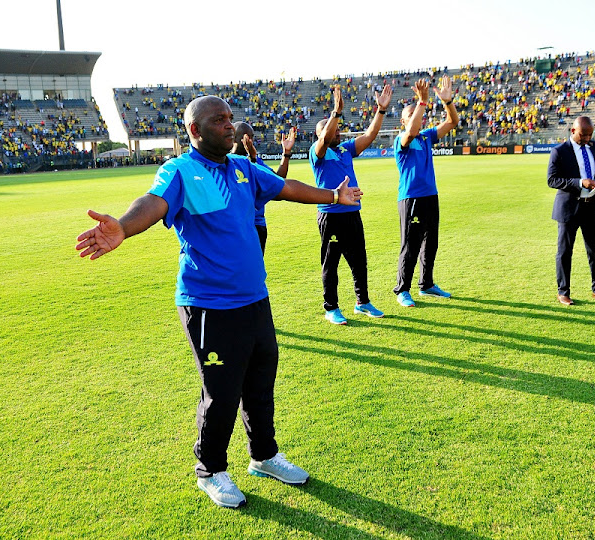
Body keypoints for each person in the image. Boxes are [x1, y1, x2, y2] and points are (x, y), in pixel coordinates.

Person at [75, 96, 362, 509]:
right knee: (222, 392)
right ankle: (210, 470)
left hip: (254, 299)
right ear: (194, 130)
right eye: (218, 120)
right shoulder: (180, 171)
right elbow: (152, 204)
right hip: (208, 305)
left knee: (261, 381)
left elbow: (286, 188)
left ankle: (264, 456)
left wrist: (333, 196)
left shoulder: (244, 168)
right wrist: (121, 226)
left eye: (230, 118)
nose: (230, 126)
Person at [310, 83, 392, 325]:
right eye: (333, 130)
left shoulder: (345, 150)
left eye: (337, 129)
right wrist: (335, 112)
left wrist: (381, 111)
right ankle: (331, 307)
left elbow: (369, 136)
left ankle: (362, 302)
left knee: (359, 260)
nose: (338, 133)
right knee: (331, 264)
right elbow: (325, 137)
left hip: (352, 213)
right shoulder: (318, 153)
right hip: (331, 215)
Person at [392, 76, 459, 308]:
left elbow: (452, 122)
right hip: (411, 198)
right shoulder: (403, 139)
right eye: (409, 116)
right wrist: (421, 103)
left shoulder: (427, 136)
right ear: (403, 121)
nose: (415, 120)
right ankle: (402, 289)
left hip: (431, 196)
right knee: (410, 245)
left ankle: (427, 284)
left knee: (431, 243)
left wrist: (448, 102)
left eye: (417, 115)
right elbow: (410, 132)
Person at [547, 115, 595, 305]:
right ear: (573, 131)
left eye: (590, 135)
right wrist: (579, 182)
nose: (587, 138)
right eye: (584, 135)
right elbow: (552, 180)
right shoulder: (559, 152)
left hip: (592, 206)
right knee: (565, 252)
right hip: (569, 208)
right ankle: (563, 292)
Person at [231, 122, 296, 253]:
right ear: (234, 138)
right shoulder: (226, 162)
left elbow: (278, 180)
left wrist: (286, 153)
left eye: (252, 137)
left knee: (255, 270)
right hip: (236, 226)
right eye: (246, 137)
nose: (250, 141)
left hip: (258, 224)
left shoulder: (255, 160)